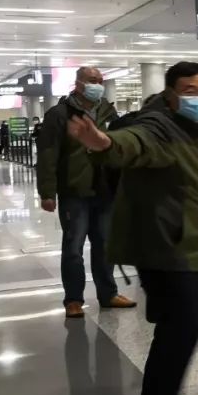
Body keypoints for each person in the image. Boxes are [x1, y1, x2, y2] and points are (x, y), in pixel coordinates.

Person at [66, 61, 198, 395]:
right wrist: (103, 142)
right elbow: (132, 142)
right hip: (167, 246)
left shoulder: (191, 127)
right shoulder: (159, 125)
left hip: (185, 243)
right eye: (189, 91)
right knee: (181, 330)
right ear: (170, 94)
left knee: (176, 329)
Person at [37, 66, 135, 318]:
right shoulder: (59, 114)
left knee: (105, 245)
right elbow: (48, 154)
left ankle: (108, 293)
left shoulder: (108, 112)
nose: (98, 84)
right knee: (73, 248)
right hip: (74, 191)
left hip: (105, 189)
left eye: (100, 80)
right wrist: (47, 192)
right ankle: (73, 300)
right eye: (93, 80)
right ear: (78, 83)